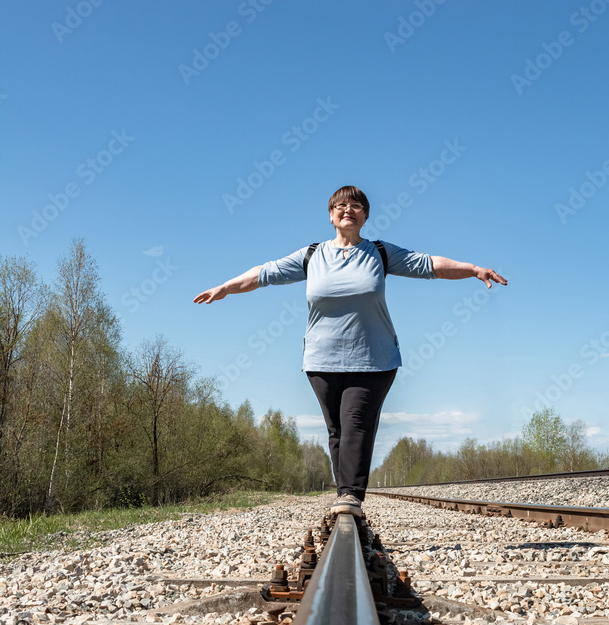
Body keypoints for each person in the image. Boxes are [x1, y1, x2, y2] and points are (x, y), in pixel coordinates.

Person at [194, 186, 507, 515]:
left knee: (356, 420)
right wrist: (225, 288)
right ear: (330, 216)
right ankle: (346, 493)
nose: (348, 210)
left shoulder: (380, 253)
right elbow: (265, 273)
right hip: (320, 359)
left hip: (375, 358)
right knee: (337, 430)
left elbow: (428, 264)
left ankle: (350, 496)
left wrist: (472, 269)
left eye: (356, 206)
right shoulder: (312, 256)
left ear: (365, 216)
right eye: (341, 206)